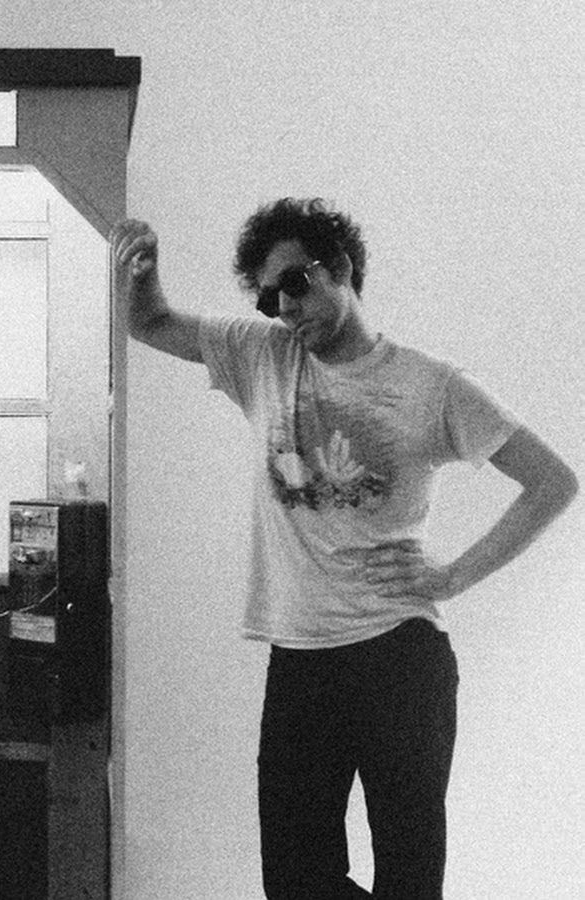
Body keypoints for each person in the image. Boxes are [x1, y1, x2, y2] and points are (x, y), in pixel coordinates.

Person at [112, 199, 578, 900]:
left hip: (400, 659)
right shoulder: (261, 356)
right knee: (296, 880)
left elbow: (552, 481)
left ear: (339, 268)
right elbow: (149, 323)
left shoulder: (430, 384)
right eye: (268, 298)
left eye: (295, 284)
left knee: (409, 879)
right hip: (299, 660)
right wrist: (141, 274)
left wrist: (454, 575)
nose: (284, 308)